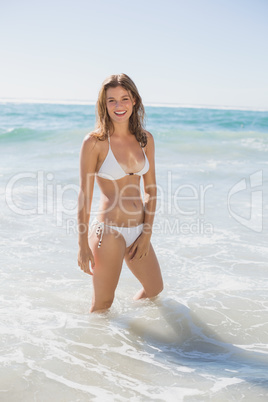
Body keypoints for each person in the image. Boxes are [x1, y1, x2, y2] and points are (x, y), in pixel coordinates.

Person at [77, 73, 163, 313]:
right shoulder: (95, 142)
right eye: (111, 100)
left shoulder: (145, 140)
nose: (118, 106)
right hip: (109, 232)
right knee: (103, 304)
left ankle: (128, 339)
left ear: (134, 100)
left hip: (138, 230)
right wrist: (82, 243)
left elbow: (151, 190)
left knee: (154, 290)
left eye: (124, 98)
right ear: (104, 104)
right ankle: (91, 348)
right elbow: (84, 195)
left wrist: (146, 233)